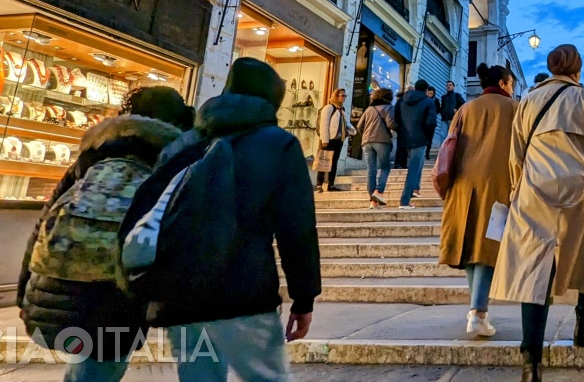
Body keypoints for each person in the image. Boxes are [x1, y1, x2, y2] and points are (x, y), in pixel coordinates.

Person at [126, 58, 320, 382]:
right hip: (245, 292)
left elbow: (145, 207)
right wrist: (304, 297)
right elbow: (296, 229)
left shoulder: (185, 143)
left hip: (183, 293)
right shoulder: (279, 144)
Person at [19, 87, 193, 382]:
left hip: (56, 282)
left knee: (85, 365)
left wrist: (25, 287)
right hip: (117, 291)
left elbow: (46, 218)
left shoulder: (94, 156)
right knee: (99, 365)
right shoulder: (172, 163)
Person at [491, 44, 584, 382]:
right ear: (578, 69)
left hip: (535, 190)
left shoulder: (529, 101)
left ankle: (531, 360)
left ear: (549, 68)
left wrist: (519, 187)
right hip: (582, 188)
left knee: (535, 269)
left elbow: (516, 152)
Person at [438, 64, 518, 338]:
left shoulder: (466, 109)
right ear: (504, 83)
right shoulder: (514, 109)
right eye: (512, 83)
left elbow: (451, 144)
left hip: (462, 185)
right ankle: (478, 313)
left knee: (470, 246)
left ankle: (476, 309)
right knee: (487, 247)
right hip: (497, 185)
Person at [396, 79, 438, 209]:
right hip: (420, 138)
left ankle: (414, 188)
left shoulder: (401, 101)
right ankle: (404, 200)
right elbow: (431, 122)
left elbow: (396, 118)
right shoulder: (429, 102)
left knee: (417, 166)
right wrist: (427, 136)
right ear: (426, 90)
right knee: (414, 168)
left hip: (404, 137)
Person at [358, 87, 398, 208]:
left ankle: (372, 201)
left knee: (371, 170)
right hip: (382, 140)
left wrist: (365, 135)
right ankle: (378, 191)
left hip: (366, 141)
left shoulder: (369, 109)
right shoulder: (388, 108)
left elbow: (359, 126)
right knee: (385, 167)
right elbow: (391, 124)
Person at [314, 88, 354, 192]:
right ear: (335, 96)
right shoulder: (329, 108)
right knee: (323, 161)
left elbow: (345, 123)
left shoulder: (341, 109)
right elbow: (324, 124)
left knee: (334, 162)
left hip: (338, 139)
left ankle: (330, 184)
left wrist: (353, 131)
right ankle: (319, 184)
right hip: (329, 139)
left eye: (345, 96)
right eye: (342, 95)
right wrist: (325, 140)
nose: (343, 98)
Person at [435, 80, 466, 149]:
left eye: (450, 85)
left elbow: (464, 104)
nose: (448, 86)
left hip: (452, 118)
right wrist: (441, 111)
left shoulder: (456, 95)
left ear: (453, 86)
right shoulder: (444, 97)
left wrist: (457, 110)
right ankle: (442, 149)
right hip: (444, 118)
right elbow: (442, 106)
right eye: (447, 85)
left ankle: (451, 149)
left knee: (452, 134)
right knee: (443, 135)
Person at [425, 86, 438, 158]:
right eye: (429, 93)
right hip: (424, 122)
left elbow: (438, 110)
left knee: (429, 139)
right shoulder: (424, 100)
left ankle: (427, 153)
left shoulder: (436, 100)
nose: (430, 95)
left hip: (432, 123)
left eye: (431, 93)